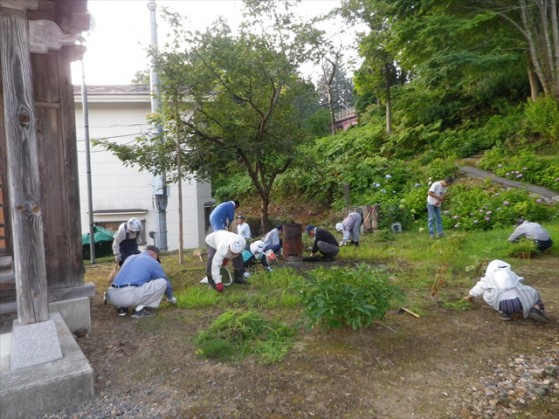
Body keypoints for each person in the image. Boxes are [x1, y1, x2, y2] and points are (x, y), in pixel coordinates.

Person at [463, 259, 550, 322]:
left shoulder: (488, 277)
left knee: (487, 293)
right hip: (521, 302)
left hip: (505, 304)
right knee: (532, 291)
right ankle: (537, 308)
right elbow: (520, 283)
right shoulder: (511, 273)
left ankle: (504, 313)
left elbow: (478, 288)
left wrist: (470, 296)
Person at [106, 245, 176, 318]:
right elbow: (165, 282)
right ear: (153, 254)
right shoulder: (152, 262)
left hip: (112, 295)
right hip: (128, 295)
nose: (156, 259)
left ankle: (122, 308)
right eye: (157, 257)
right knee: (162, 282)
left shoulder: (130, 257)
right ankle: (139, 310)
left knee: (133, 282)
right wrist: (170, 298)